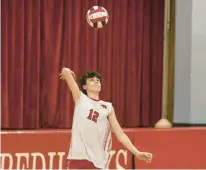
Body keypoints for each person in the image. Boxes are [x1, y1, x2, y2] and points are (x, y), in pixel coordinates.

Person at [59, 68, 153, 169]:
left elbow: (120, 134)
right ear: (84, 86)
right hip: (77, 157)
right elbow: (64, 71)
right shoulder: (80, 98)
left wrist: (137, 153)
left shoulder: (107, 107)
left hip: (97, 162)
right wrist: (70, 73)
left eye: (98, 80)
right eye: (91, 80)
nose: (96, 81)